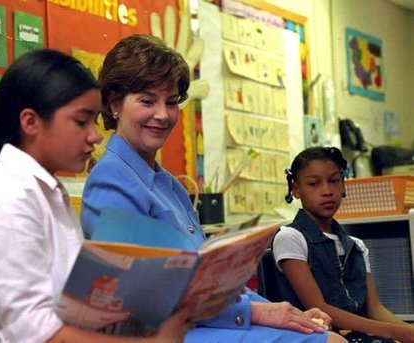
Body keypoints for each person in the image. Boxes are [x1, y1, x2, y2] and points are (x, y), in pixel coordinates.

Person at [80, 34, 347, 343]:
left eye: (171, 102)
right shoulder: (111, 179)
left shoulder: (168, 184)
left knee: (324, 333)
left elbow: (210, 283)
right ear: (114, 104)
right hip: (161, 332)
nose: (163, 115)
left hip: (200, 321)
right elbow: (140, 291)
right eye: (147, 101)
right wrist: (260, 313)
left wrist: (283, 310)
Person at [0, 48, 194, 343]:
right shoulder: (5, 201)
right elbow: (40, 334)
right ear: (31, 122)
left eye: (95, 121)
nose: (96, 136)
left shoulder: (45, 191)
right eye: (81, 122)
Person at [273, 146, 414, 343]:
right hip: (319, 335)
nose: (327, 191)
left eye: (334, 181)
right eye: (314, 184)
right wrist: (394, 332)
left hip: (363, 334)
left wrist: (406, 330)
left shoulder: (356, 246)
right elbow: (318, 308)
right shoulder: (290, 237)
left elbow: (375, 309)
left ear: (343, 185)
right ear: (296, 190)